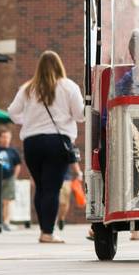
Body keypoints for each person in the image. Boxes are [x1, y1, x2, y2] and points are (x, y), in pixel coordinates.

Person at [7, 51, 84, 243]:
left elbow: (12, 112)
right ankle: (47, 233)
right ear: (59, 66)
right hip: (57, 142)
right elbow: (80, 115)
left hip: (32, 142)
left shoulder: (28, 88)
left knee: (41, 187)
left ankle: (44, 229)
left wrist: (28, 121)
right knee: (51, 188)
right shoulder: (68, 86)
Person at [0, 128, 21, 232]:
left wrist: (14, 177)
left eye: (8, 137)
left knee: (6, 201)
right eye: (4, 137)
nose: (6, 139)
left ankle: (6, 222)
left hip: (9, 178)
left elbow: (18, 164)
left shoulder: (13, 151)